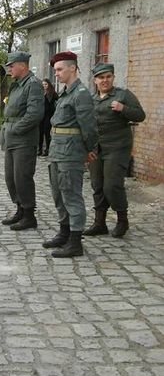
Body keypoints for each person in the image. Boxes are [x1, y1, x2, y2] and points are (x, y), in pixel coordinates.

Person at [42, 51, 98, 258]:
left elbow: (89, 127)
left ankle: (75, 242)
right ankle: (64, 233)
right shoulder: (65, 93)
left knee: (71, 195)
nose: (56, 74)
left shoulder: (80, 94)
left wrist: (90, 150)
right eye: (55, 70)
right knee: (58, 195)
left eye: (59, 69)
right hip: (57, 151)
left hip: (71, 153)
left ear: (72, 68)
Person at [83, 63, 146, 238]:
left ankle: (122, 221)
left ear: (113, 77)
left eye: (108, 76)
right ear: (95, 80)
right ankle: (100, 223)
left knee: (112, 186)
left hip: (117, 147)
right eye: (101, 77)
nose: (105, 80)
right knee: (97, 185)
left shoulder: (123, 95)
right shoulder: (91, 99)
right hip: (96, 148)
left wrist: (123, 108)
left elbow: (140, 115)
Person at [0, 51, 44, 231]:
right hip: (11, 138)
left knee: (22, 177)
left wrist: (16, 129)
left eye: (11, 66)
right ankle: (19, 209)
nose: (9, 69)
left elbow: (35, 114)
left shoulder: (33, 85)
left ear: (23, 65)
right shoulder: (17, 85)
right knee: (11, 177)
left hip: (24, 139)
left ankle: (29, 215)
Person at [38, 78, 58, 156]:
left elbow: (58, 101)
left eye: (46, 84)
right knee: (40, 132)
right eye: (43, 84)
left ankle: (47, 149)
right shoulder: (40, 93)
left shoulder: (52, 93)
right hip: (41, 114)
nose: (44, 86)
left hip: (49, 115)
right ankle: (39, 149)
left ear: (49, 85)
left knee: (47, 132)